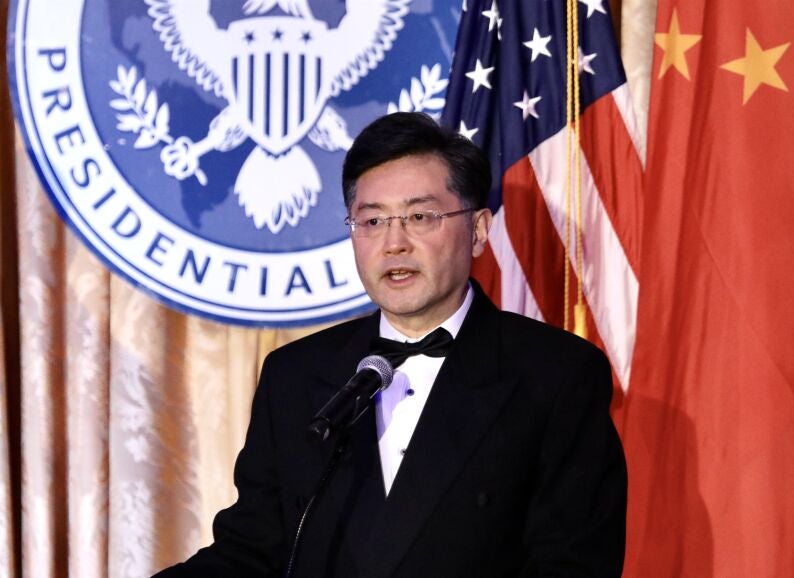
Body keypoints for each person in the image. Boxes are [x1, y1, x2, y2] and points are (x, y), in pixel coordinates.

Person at [154, 112, 627, 577]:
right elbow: (250, 552)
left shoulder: (555, 375)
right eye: (372, 221)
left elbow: (573, 564)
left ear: (479, 230)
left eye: (420, 216)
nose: (394, 243)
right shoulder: (294, 375)